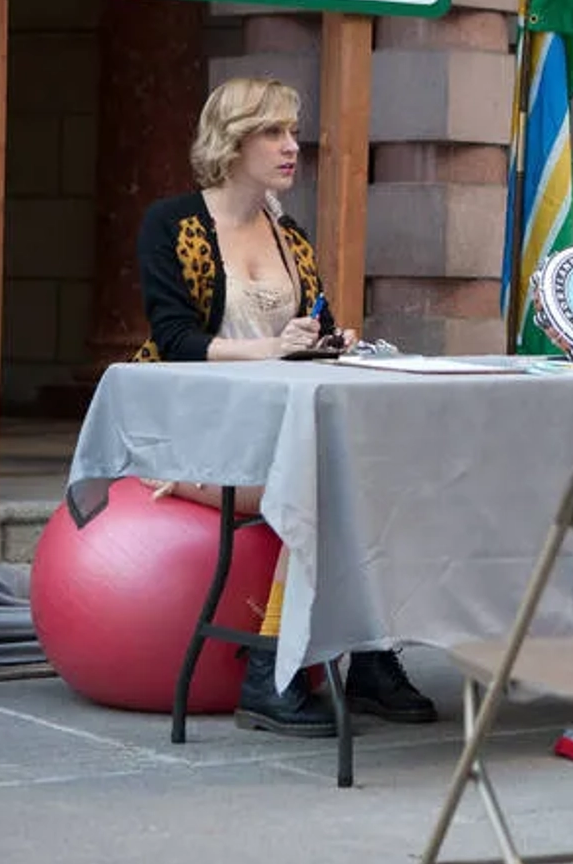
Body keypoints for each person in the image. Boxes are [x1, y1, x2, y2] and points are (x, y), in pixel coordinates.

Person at [133, 77, 437, 736]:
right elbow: (175, 342)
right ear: (232, 139)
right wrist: (277, 344)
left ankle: (374, 657)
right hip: (192, 433)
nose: (290, 146)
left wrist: (327, 342)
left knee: (382, 476)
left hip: (275, 427)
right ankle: (269, 673)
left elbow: (304, 335)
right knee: (324, 488)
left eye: (292, 132)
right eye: (273, 132)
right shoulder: (172, 224)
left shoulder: (289, 236)